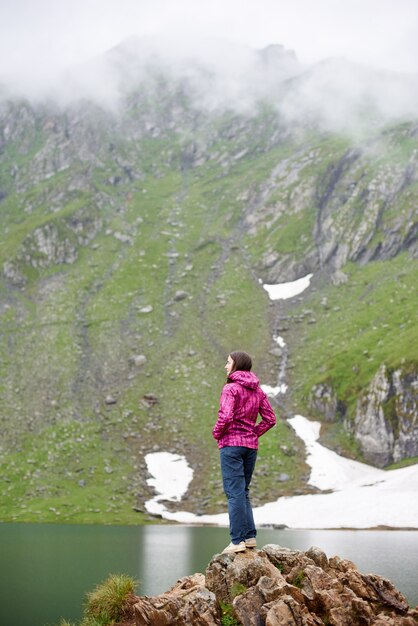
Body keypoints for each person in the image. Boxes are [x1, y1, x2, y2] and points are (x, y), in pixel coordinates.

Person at [212, 350, 277, 554]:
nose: (225, 365)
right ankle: (249, 537)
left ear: (236, 365)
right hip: (250, 447)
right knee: (244, 492)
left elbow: (226, 416)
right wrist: (253, 433)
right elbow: (270, 419)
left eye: (228, 362)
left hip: (231, 445)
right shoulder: (258, 391)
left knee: (234, 494)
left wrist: (217, 433)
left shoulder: (230, 388)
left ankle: (237, 540)